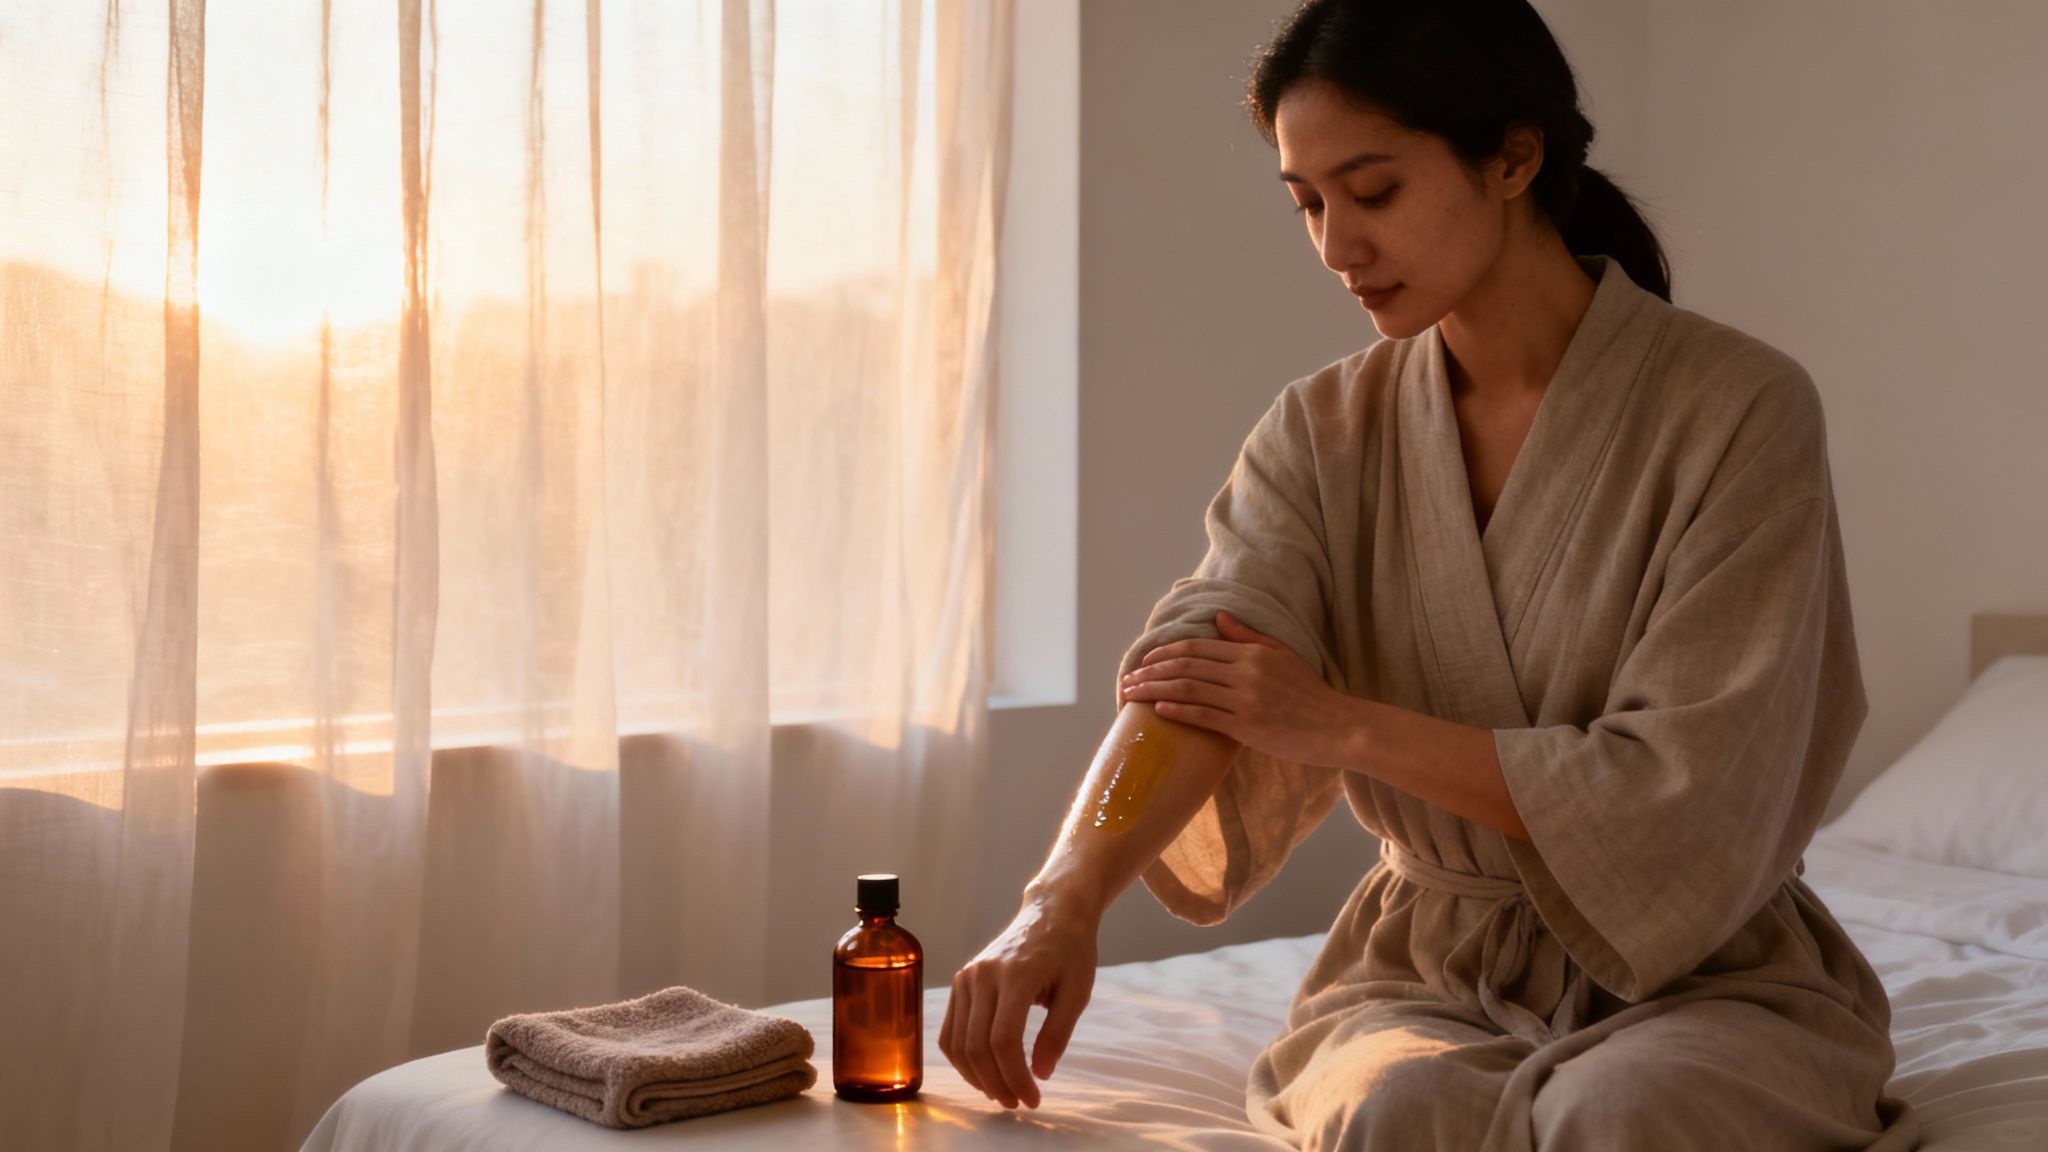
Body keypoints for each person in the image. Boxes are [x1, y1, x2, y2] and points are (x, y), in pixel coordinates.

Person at [937, 0, 1921, 1148]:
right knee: (1400, 1104)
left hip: (1708, 971)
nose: (1333, 246)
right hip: (1423, 966)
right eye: (1306, 202)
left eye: (1373, 192)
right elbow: (1198, 672)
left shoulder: (1738, 411)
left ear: (1511, 156)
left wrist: (1337, 727)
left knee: (1627, 1112)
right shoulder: (1321, 431)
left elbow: (1682, 795)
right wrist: (1055, 904)